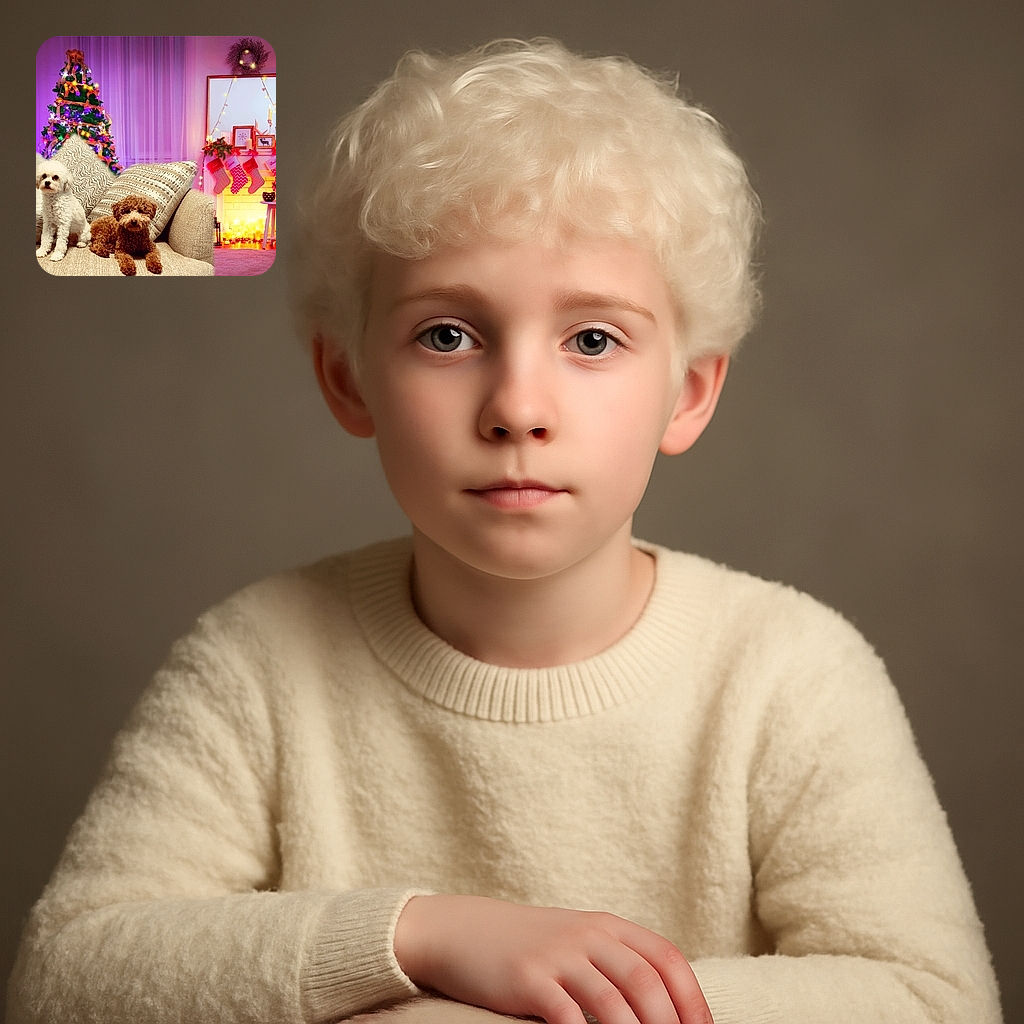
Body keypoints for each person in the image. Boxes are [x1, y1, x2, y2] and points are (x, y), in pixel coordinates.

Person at [8, 38, 1001, 1024]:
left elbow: (931, 999)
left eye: (592, 339)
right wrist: (420, 935)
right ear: (349, 380)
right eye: (448, 334)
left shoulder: (793, 672)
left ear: (687, 394)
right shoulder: (252, 661)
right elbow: (67, 975)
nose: (517, 406)